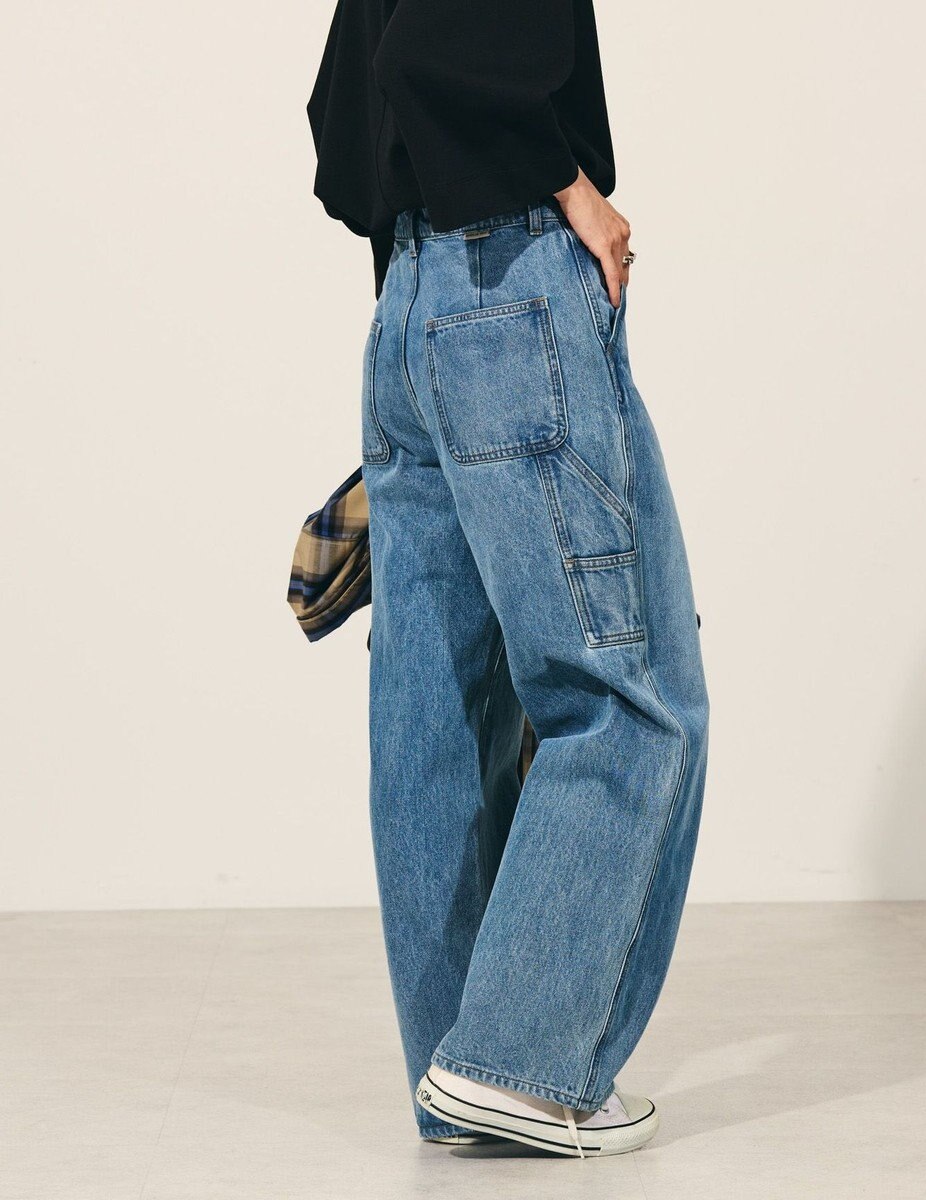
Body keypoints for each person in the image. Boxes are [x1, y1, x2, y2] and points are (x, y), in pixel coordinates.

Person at [306, 0, 710, 1159]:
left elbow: (344, 108)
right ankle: (518, 1065)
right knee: (627, 698)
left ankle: (462, 1066)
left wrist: (425, 292)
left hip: (410, 301)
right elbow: (435, 53)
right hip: (512, 279)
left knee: (436, 710)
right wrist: (569, 188)